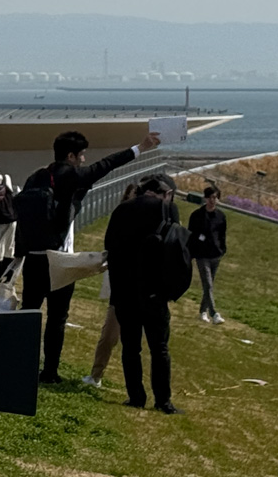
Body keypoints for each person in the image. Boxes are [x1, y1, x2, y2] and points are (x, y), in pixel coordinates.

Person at [17, 127, 161, 383]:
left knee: (29, 313)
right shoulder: (69, 175)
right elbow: (106, 165)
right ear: (71, 156)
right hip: (60, 260)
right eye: (82, 155)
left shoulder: (38, 176)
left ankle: (21, 364)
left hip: (34, 258)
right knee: (57, 318)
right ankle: (49, 371)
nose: (84, 160)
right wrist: (140, 148)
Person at [104, 174, 188, 413]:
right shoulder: (167, 209)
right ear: (164, 192)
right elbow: (176, 247)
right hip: (155, 290)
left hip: (125, 290)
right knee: (159, 347)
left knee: (131, 348)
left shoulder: (121, 210)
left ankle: (136, 396)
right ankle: (163, 400)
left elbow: (109, 245)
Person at [82, 183, 142, 389]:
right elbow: (110, 246)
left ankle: (135, 387)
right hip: (120, 289)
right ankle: (96, 374)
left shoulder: (148, 223)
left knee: (134, 342)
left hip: (140, 289)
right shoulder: (120, 220)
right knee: (109, 336)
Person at [187, 184, 228, 324]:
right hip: (202, 255)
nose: (212, 200)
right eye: (210, 197)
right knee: (208, 284)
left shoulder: (221, 216)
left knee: (208, 285)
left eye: (215, 198)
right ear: (205, 198)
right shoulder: (197, 216)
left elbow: (222, 235)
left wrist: (222, 249)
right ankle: (214, 313)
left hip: (215, 254)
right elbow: (191, 235)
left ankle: (202, 311)